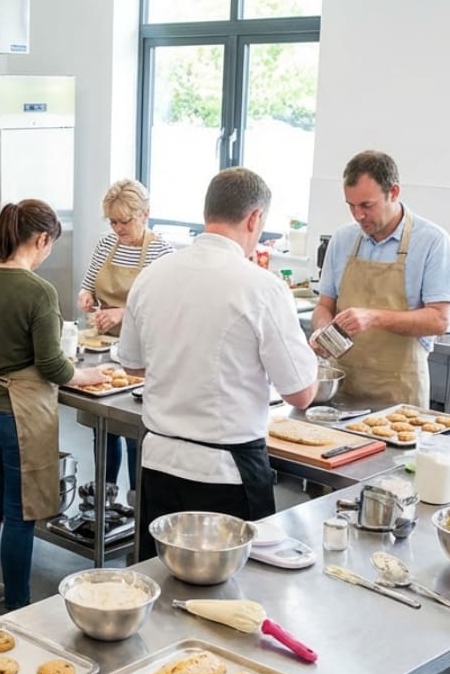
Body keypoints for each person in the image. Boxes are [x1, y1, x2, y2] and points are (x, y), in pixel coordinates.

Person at [115, 167, 320, 560]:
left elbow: (134, 366)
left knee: (160, 582)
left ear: (207, 211)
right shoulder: (263, 287)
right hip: (226, 473)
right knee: (230, 598)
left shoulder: (153, 275)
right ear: (255, 218)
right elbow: (301, 392)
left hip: (159, 462)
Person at [0, 200, 108, 613]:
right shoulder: (37, 291)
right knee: (20, 512)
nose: (48, 255)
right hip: (20, 413)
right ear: (41, 239)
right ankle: (20, 604)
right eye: (50, 246)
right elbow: (51, 364)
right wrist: (82, 376)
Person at [311, 150, 450, 406]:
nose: (358, 216)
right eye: (351, 206)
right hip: (343, 394)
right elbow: (325, 306)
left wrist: (373, 317)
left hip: (400, 399)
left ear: (394, 192)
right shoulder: (342, 239)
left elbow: (439, 320)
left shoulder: (432, 241)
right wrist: (323, 331)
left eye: (367, 205)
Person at [75, 179, 175, 505]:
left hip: (143, 354)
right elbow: (88, 285)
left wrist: (122, 313)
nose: (118, 228)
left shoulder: (162, 252)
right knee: (103, 425)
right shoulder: (106, 245)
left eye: (125, 221)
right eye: (113, 222)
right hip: (102, 349)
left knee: (135, 428)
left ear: (145, 214)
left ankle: (138, 499)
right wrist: (86, 298)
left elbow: (165, 305)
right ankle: (103, 498)